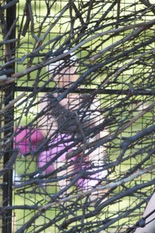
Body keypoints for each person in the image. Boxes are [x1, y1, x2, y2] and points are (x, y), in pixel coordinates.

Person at [35, 52, 109, 191]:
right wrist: (74, 146)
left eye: (70, 68)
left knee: (94, 189)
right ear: (52, 74)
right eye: (61, 70)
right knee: (62, 148)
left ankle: (91, 189)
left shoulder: (90, 96)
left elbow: (102, 127)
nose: (67, 73)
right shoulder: (46, 98)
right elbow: (48, 130)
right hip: (59, 149)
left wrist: (94, 148)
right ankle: (63, 194)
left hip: (89, 145)